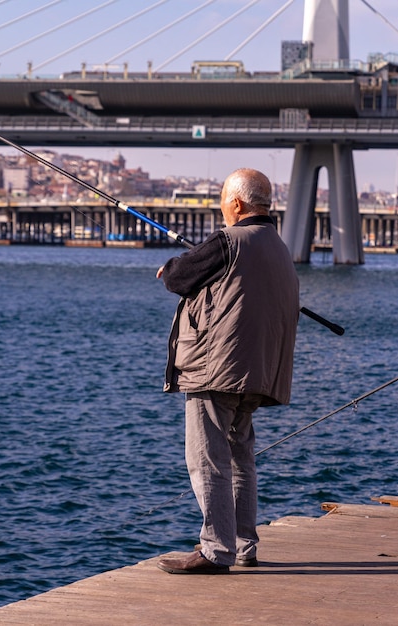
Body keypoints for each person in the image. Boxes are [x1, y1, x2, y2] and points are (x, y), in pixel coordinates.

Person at [156, 168, 299, 574]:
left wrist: (170, 267)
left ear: (236, 203)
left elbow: (181, 277)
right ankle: (243, 544)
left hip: (216, 369)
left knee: (208, 458)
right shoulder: (279, 247)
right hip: (258, 371)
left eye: (223, 201)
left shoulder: (229, 240)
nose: (222, 209)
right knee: (240, 457)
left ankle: (216, 550)